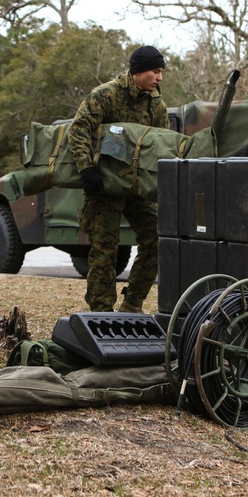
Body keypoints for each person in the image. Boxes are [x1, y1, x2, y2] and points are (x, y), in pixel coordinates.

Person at [67, 45, 168, 313]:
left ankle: (132, 305)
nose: (159, 78)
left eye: (161, 72)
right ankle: (101, 313)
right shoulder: (106, 95)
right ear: (138, 71)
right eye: (155, 71)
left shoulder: (156, 106)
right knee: (105, 250)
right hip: (104, 187)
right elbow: (79, 129)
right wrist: (86, 169)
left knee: (158, 238)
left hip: (136, 189)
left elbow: (160, 145)